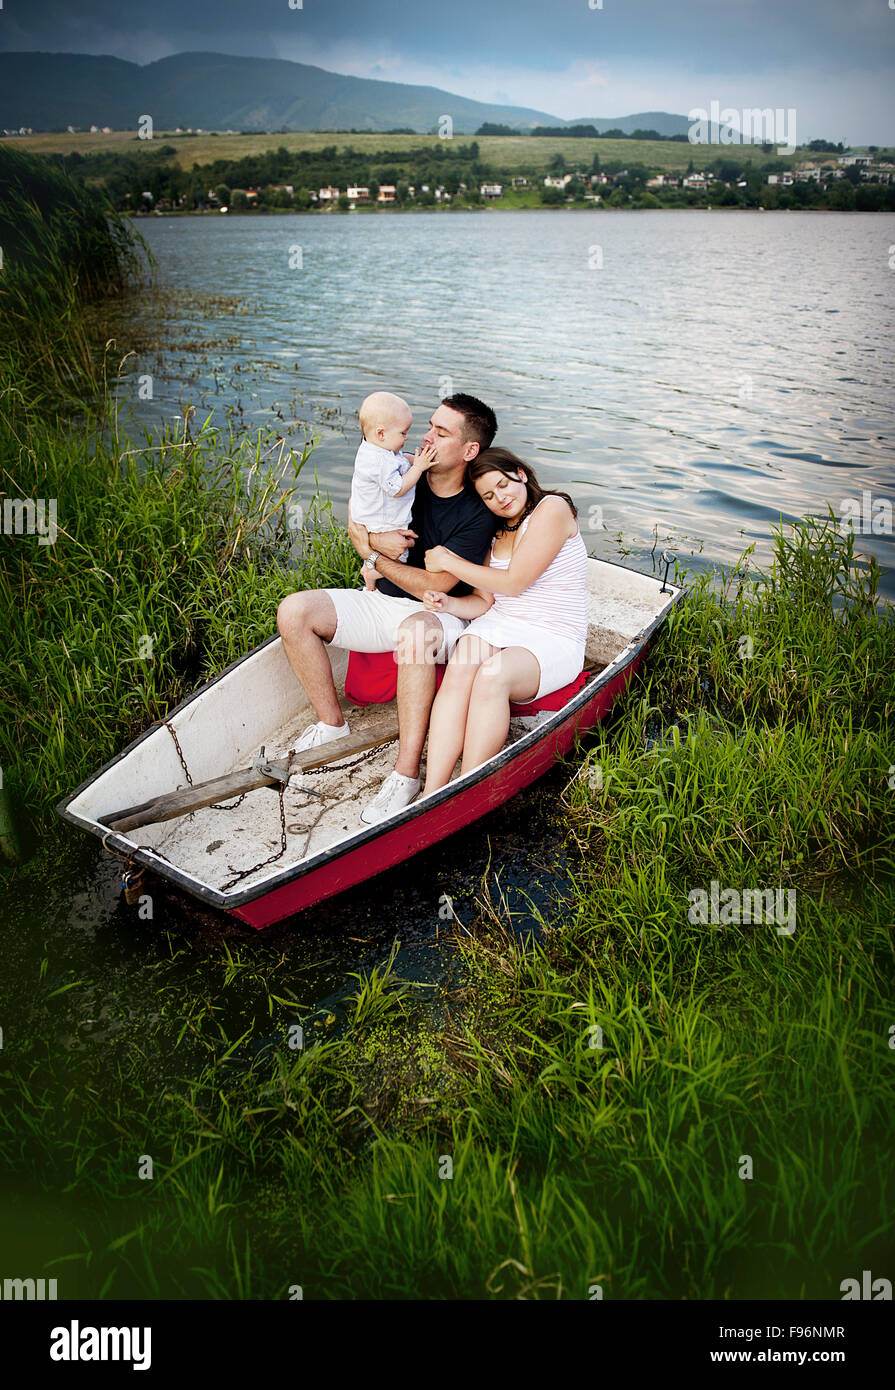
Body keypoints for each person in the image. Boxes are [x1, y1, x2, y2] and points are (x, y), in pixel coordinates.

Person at [276, 394, 499, 824]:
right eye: (429, 425)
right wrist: (372, 541)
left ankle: (406, 774)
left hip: (443, 615)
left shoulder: (476, 509)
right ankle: (330, 724)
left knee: (416, 630)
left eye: (441, 433)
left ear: (469, 451)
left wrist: (375, 558)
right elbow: (357, 514)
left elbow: (437, 584)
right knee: (295, 611)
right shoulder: (402, 468)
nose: (425, 437)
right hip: (383, 603)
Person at [420, 447, 589, 795]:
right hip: (501, 622)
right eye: (489, 495)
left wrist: (448, 561)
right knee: (462, 664)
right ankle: (433, 791)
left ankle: (466, 788)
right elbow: (485, 601)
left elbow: (515, 582)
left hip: (553, 633)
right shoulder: (496, 533)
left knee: (492, 676)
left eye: (503, 484)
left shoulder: (552, 509)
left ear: (520, 473)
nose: (500, 498)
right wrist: (448, 602)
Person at [349, 391, 437, 590]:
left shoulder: (376, 449)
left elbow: (399, 460)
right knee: (398, 559)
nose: (406, 438)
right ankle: (370, 574)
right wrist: (419, 467)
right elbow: (396, 488)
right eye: (403, 433)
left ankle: (369, 578)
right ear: (381, 434)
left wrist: (413, 460)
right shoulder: (378, 461)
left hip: (372, 517)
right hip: (384, 522)